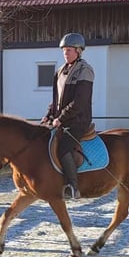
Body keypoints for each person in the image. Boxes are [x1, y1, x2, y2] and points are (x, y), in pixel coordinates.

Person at [41, 32, 94, 200]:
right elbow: (56, 101)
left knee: (64, 147)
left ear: (78, 51)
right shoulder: (59, 72)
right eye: (64, 50)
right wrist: (48, 115)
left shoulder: (85, 70)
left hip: (78, 120)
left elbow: (79, 101)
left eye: (69, 50)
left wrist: (61, 118)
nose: (66, 53)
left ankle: (73, 187)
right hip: (61, 120)